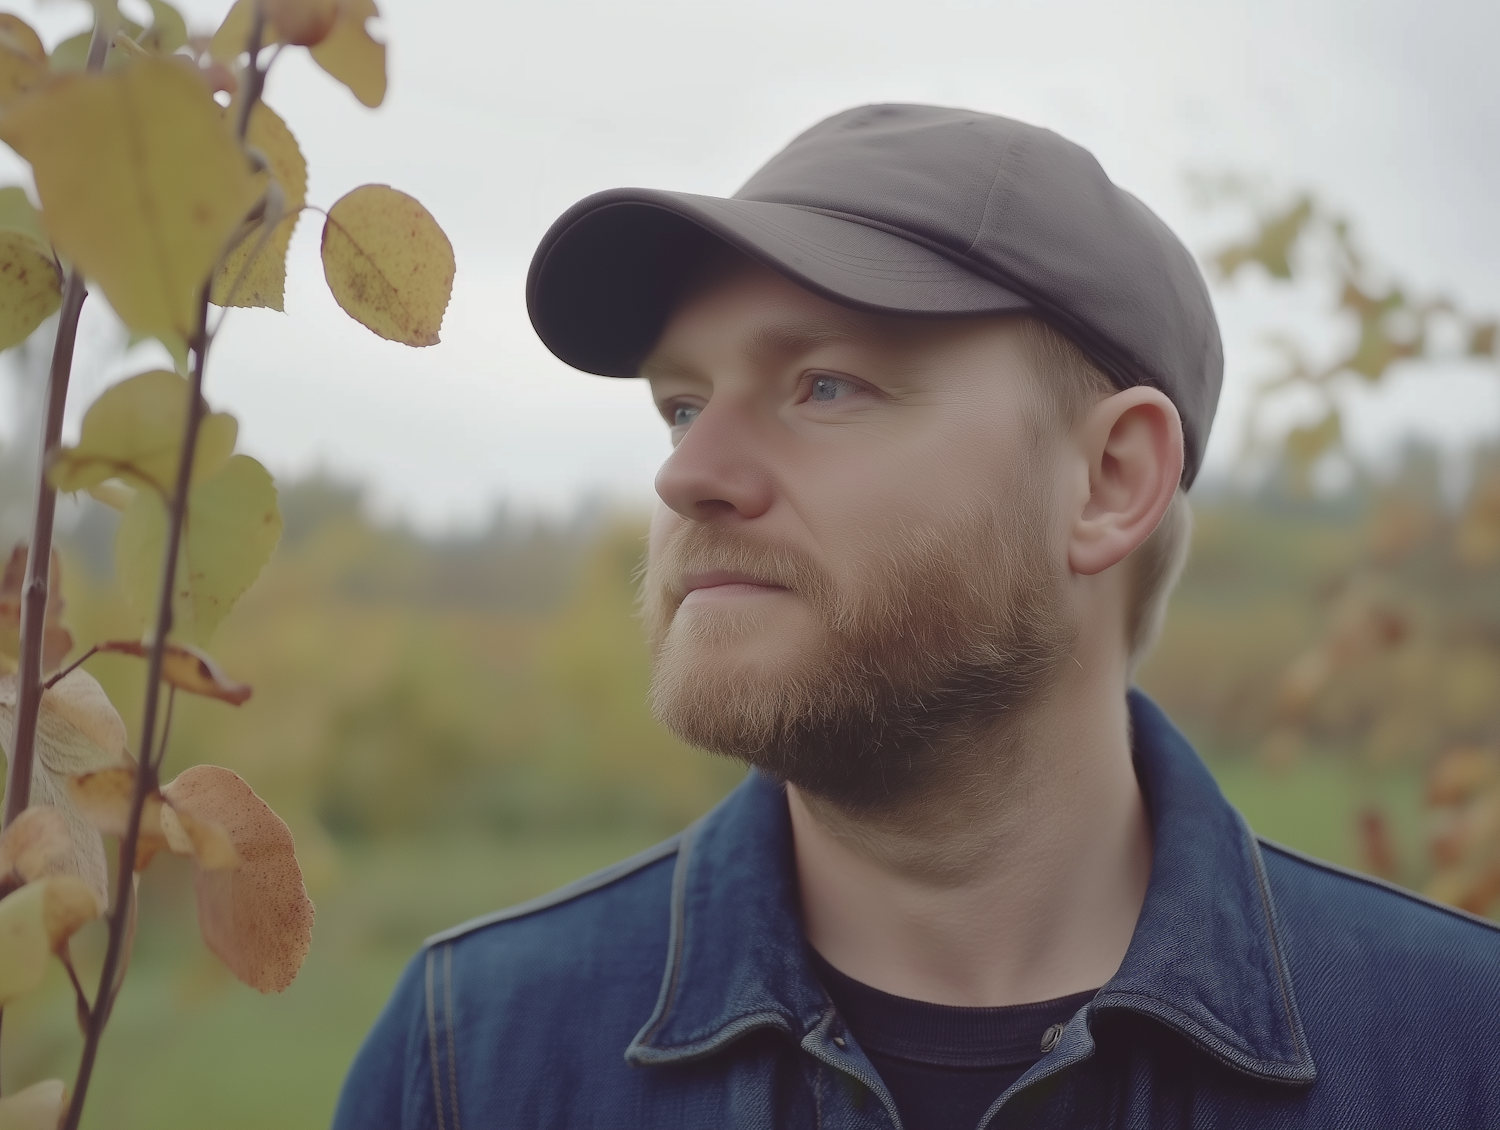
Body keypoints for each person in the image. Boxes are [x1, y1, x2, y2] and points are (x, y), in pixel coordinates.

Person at [332, 105, 1500, 1130]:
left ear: (1108, 481)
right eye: (683, 406)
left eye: (825, 384)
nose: (688, 476)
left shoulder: (1455, 1055)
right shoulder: (472, 1061)